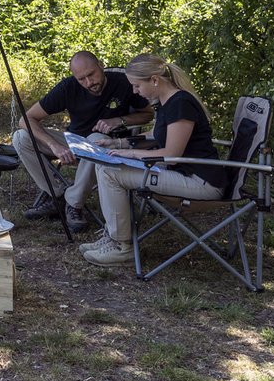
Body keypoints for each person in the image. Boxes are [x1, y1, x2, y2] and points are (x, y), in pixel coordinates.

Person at [80, 53, 223, 266]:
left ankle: (122, 247)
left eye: (137, 86)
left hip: (200, 182)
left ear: (154, 80)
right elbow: (155, 136)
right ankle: (113, 237)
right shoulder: (167, 102)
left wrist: (131, 154)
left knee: (110, 172)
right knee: (107, 165)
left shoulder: (181, 103)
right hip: (181, 173)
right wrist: (117, 144)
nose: (135, 91)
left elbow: (171, 152)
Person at [14, 51, 153, 232]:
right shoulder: (68, 87)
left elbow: (148, 114)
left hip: (105, 145)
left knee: (96, 140)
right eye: (81, 79)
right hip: (73, 141)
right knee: (21, 137)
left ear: (101, 65)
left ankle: (74, 203)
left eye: (91, 75)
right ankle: (55, 195)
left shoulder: (123, 83)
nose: (89, 83)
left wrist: (120, 120)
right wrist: (54, 145)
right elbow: (26, 119)